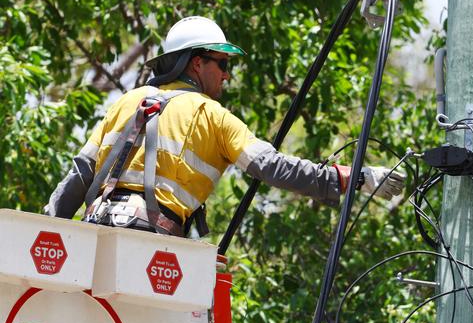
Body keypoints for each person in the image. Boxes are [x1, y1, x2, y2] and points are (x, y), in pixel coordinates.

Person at [45, 16, 405, 237]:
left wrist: (47, 235)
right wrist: (354, 177)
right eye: (221, 63)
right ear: (196, 63)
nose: (227, 74)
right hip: (150, 242)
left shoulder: (127, 101)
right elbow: (274, 167)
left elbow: (78, 177)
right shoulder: (211, 115)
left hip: (95, 233)